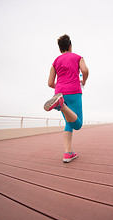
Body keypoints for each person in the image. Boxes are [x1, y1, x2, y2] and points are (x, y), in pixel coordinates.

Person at [44, 34, 89, 163]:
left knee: (68, 123)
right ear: (70, 46)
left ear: (60, 49)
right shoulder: (78, 57)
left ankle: (68, 153)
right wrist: (83, 81)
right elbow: (85, 71)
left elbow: (49, 83)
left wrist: (59, 86)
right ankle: (62, 106)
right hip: (74, 91)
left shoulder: (55, 62)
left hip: (60, 93)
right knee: (78, 124)